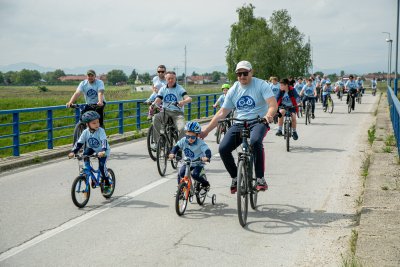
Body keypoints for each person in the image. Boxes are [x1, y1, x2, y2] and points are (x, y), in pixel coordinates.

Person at [199, 60, 277, 194]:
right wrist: (206, 131)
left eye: (245, 73)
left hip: (258, 121)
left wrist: (268, 115)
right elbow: (222, 112)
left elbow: (272, 105)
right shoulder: (234, 89)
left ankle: (260, 178)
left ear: (251, 72)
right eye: (239, 74)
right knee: (223, 149)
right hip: (239, 123)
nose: (242, 76)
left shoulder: (261, 85)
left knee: (255, 141)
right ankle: (235, 177)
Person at [68, 111, 111, 193]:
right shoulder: (85, 132)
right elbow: (79, 143)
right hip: (92, 149)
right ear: (87, 124)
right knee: (85, 155)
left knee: (102, 168)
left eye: (98, 122)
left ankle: (107, 184)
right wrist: (73, 152)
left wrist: (103, 151)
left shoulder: (101, 131)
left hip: (103, 151)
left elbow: (104, 142)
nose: (97, 124)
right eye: (94, 123)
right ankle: (89, 172)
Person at [169, 121, 211, 191]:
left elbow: (207, 150)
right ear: (185, 134)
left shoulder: (200, 143)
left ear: (197, 135)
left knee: (195, 175)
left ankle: (205, 183)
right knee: (181, 173)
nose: (190, 139)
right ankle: (180, 189)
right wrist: (172, 153)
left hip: (198, 163)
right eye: (188, 136)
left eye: (193, 137)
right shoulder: (184, 140)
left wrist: (207, 157)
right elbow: (176, 146)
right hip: (187, 162)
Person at [151, 71, 192, 142]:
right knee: (155, 118)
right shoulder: (163, 89)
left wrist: (183, 102)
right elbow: (158, 99)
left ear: (175, 79)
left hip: (177, 113)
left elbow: (189, 98)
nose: (170, 80)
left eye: (172, 78)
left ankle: (179, 146)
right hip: (165, 112)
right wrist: (154, 104)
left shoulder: (179, 88)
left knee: (183, 128)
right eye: (169, 78)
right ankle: (158, 142)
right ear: (165, 79)